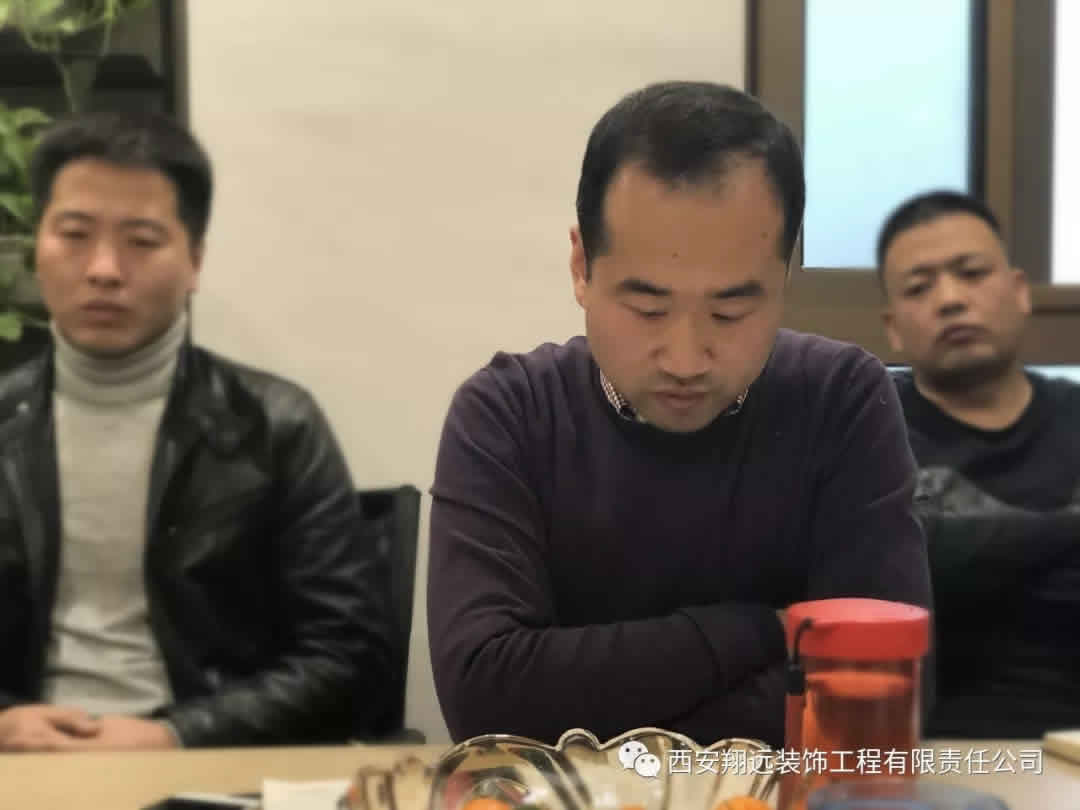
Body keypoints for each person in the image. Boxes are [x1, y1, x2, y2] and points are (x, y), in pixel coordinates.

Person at [428, 81, 932, 747]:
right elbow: (484, 699)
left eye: (730, 311)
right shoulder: (509, 415)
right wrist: (763, 628)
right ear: (581, 267)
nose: (686, 358)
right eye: (648, 309)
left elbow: (875, 694)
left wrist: (596, 708)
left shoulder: (841, 401)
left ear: (784, 277)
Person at [0, 111, 394, 752]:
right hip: (21, 763)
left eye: (141, 240)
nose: (103, 268)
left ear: (195, 261)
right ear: (36, 246)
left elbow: (349, 659)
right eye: (74, 234)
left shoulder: (276, 425)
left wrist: (175, 735)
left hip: (212, 766)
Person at [879, 190, 1080, 737]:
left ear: (1019, 292)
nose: (950, 299)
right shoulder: (869, 428)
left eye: (971, 273)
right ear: (892, 326)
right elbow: (891, 570)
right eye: (919, 287)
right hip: (922, 750)